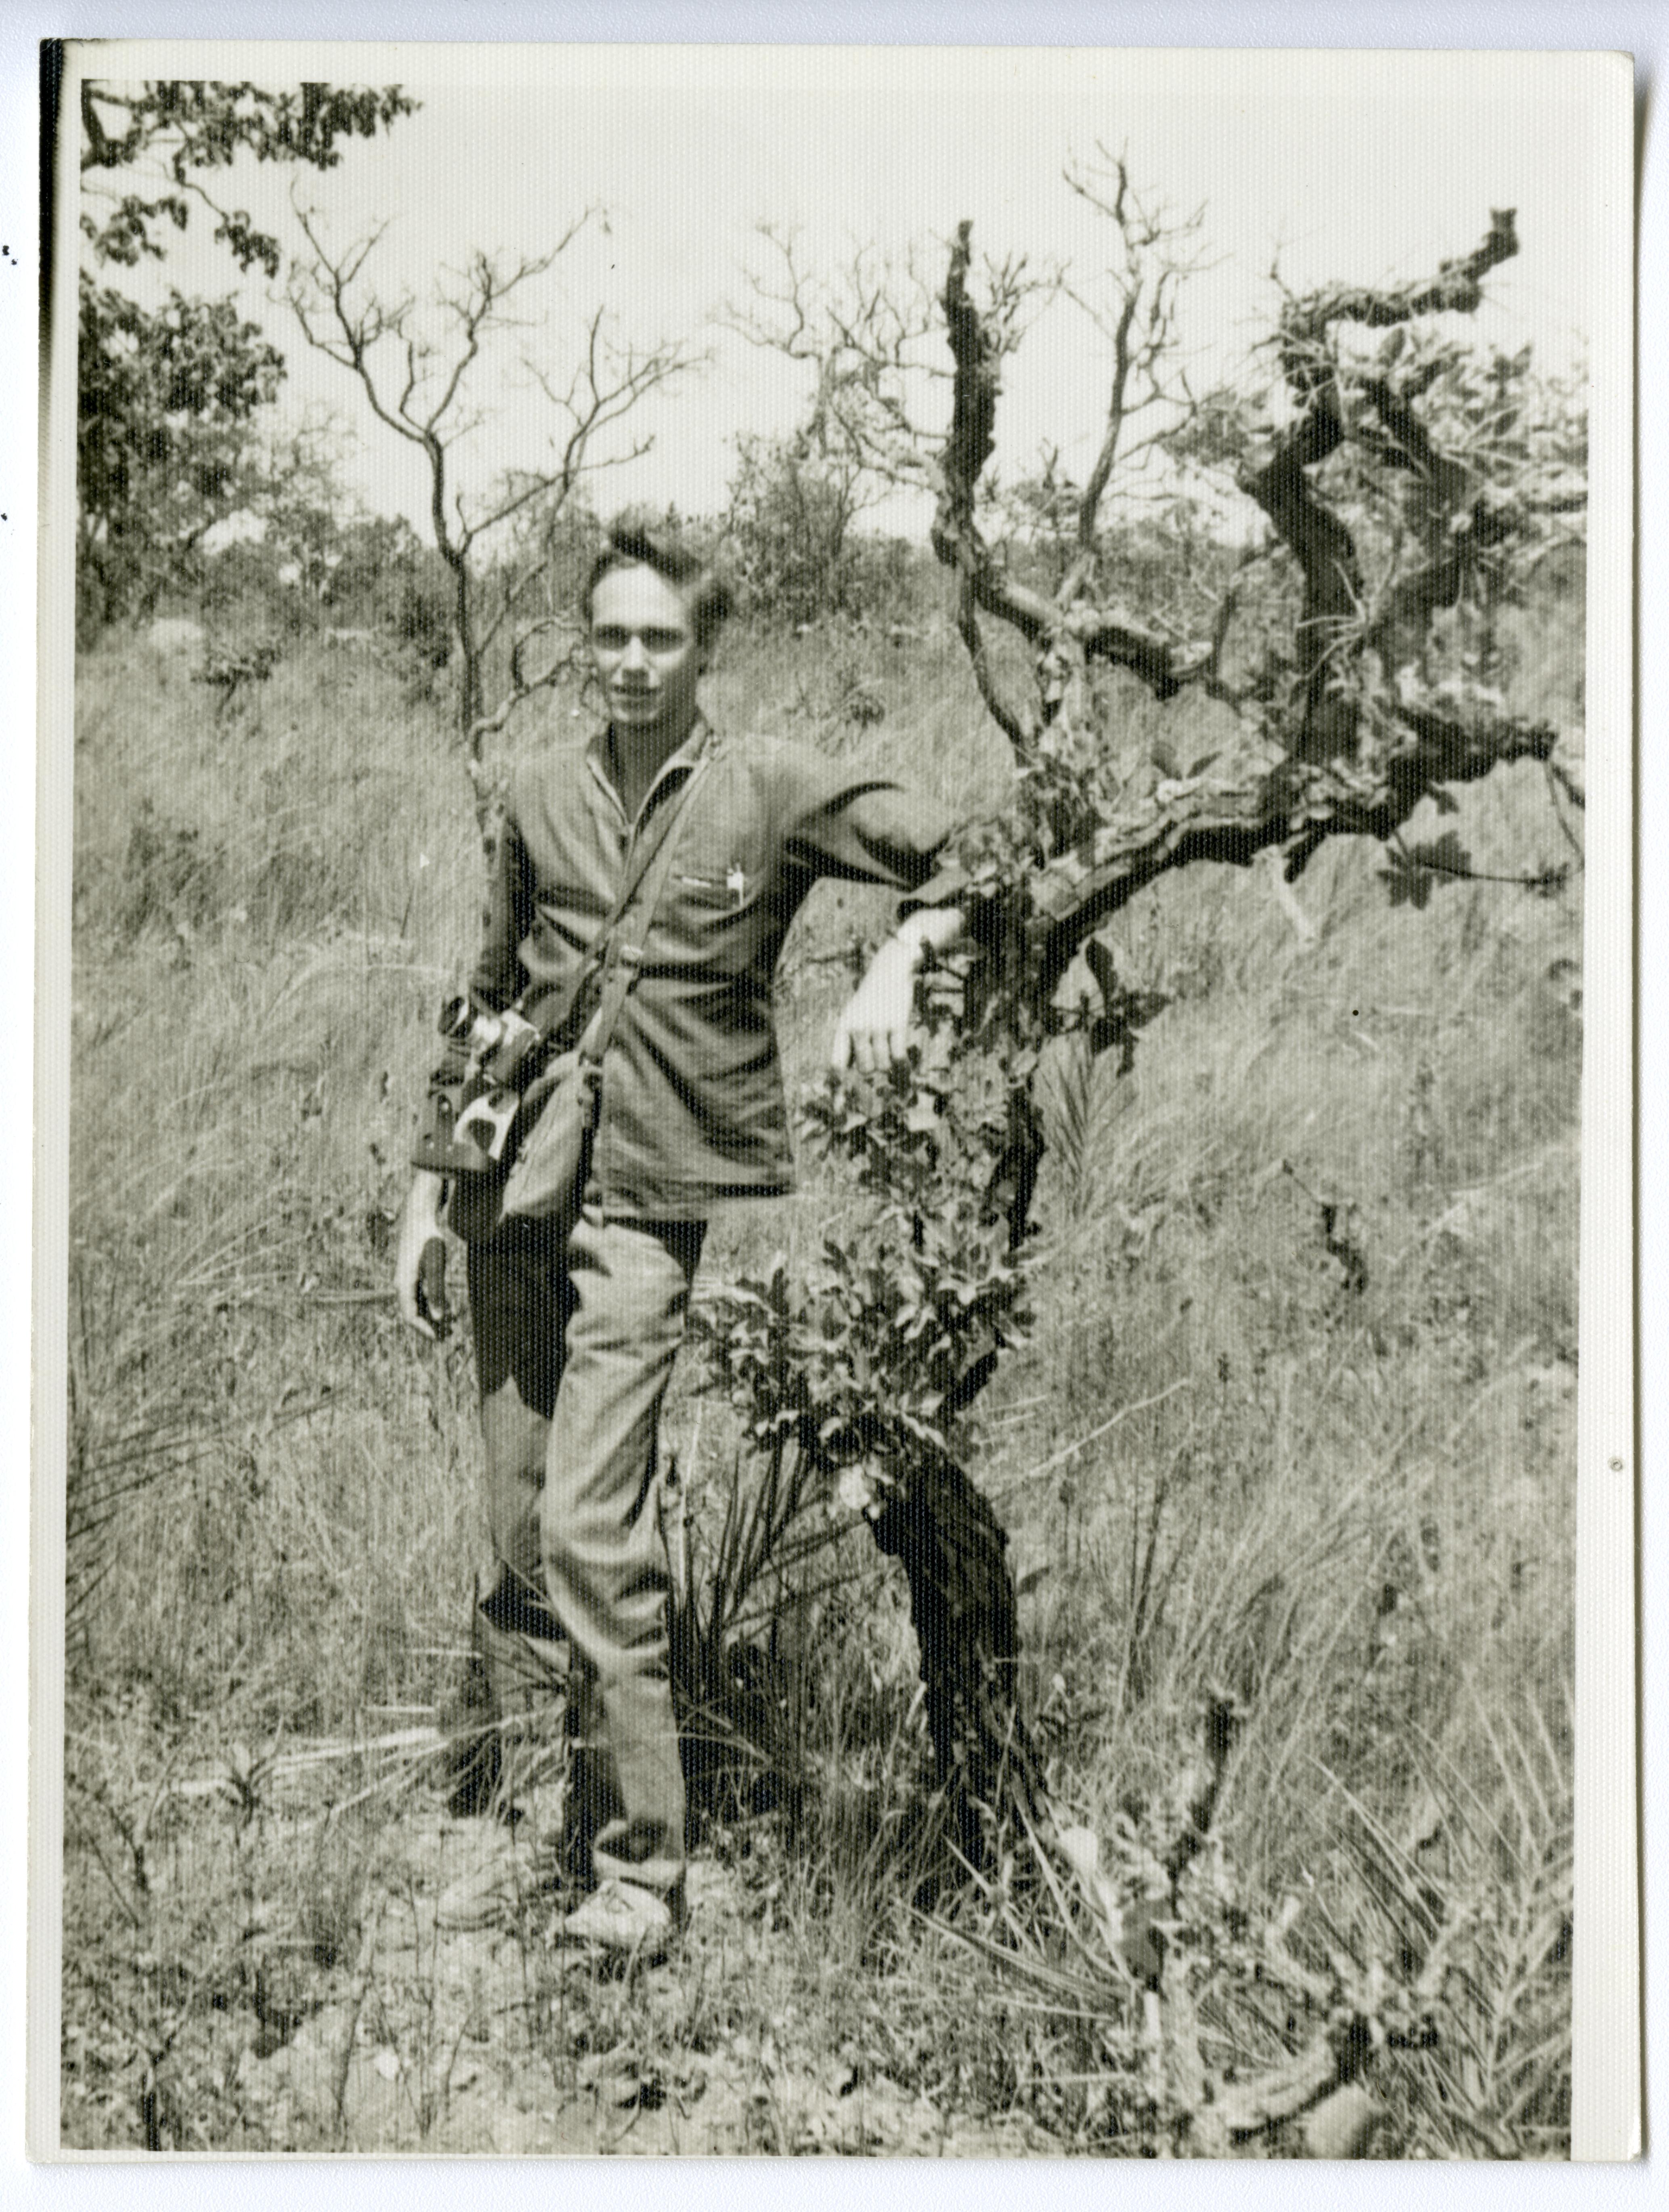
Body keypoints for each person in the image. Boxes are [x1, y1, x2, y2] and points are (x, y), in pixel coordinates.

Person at [395, 516, 964, 1957]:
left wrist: (902, 953)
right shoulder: (536, 791)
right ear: (584, 645)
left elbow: (966, 848)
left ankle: (642, 1876)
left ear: (704, 649)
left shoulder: (768, 790)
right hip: (512, 1193)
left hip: (647, 1203)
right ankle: (554, 1811)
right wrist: (422, 1195)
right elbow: (488, 993)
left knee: (594, 1527)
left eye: (662, 639)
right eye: (611, 637)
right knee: (522, 1528)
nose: (634, 663)